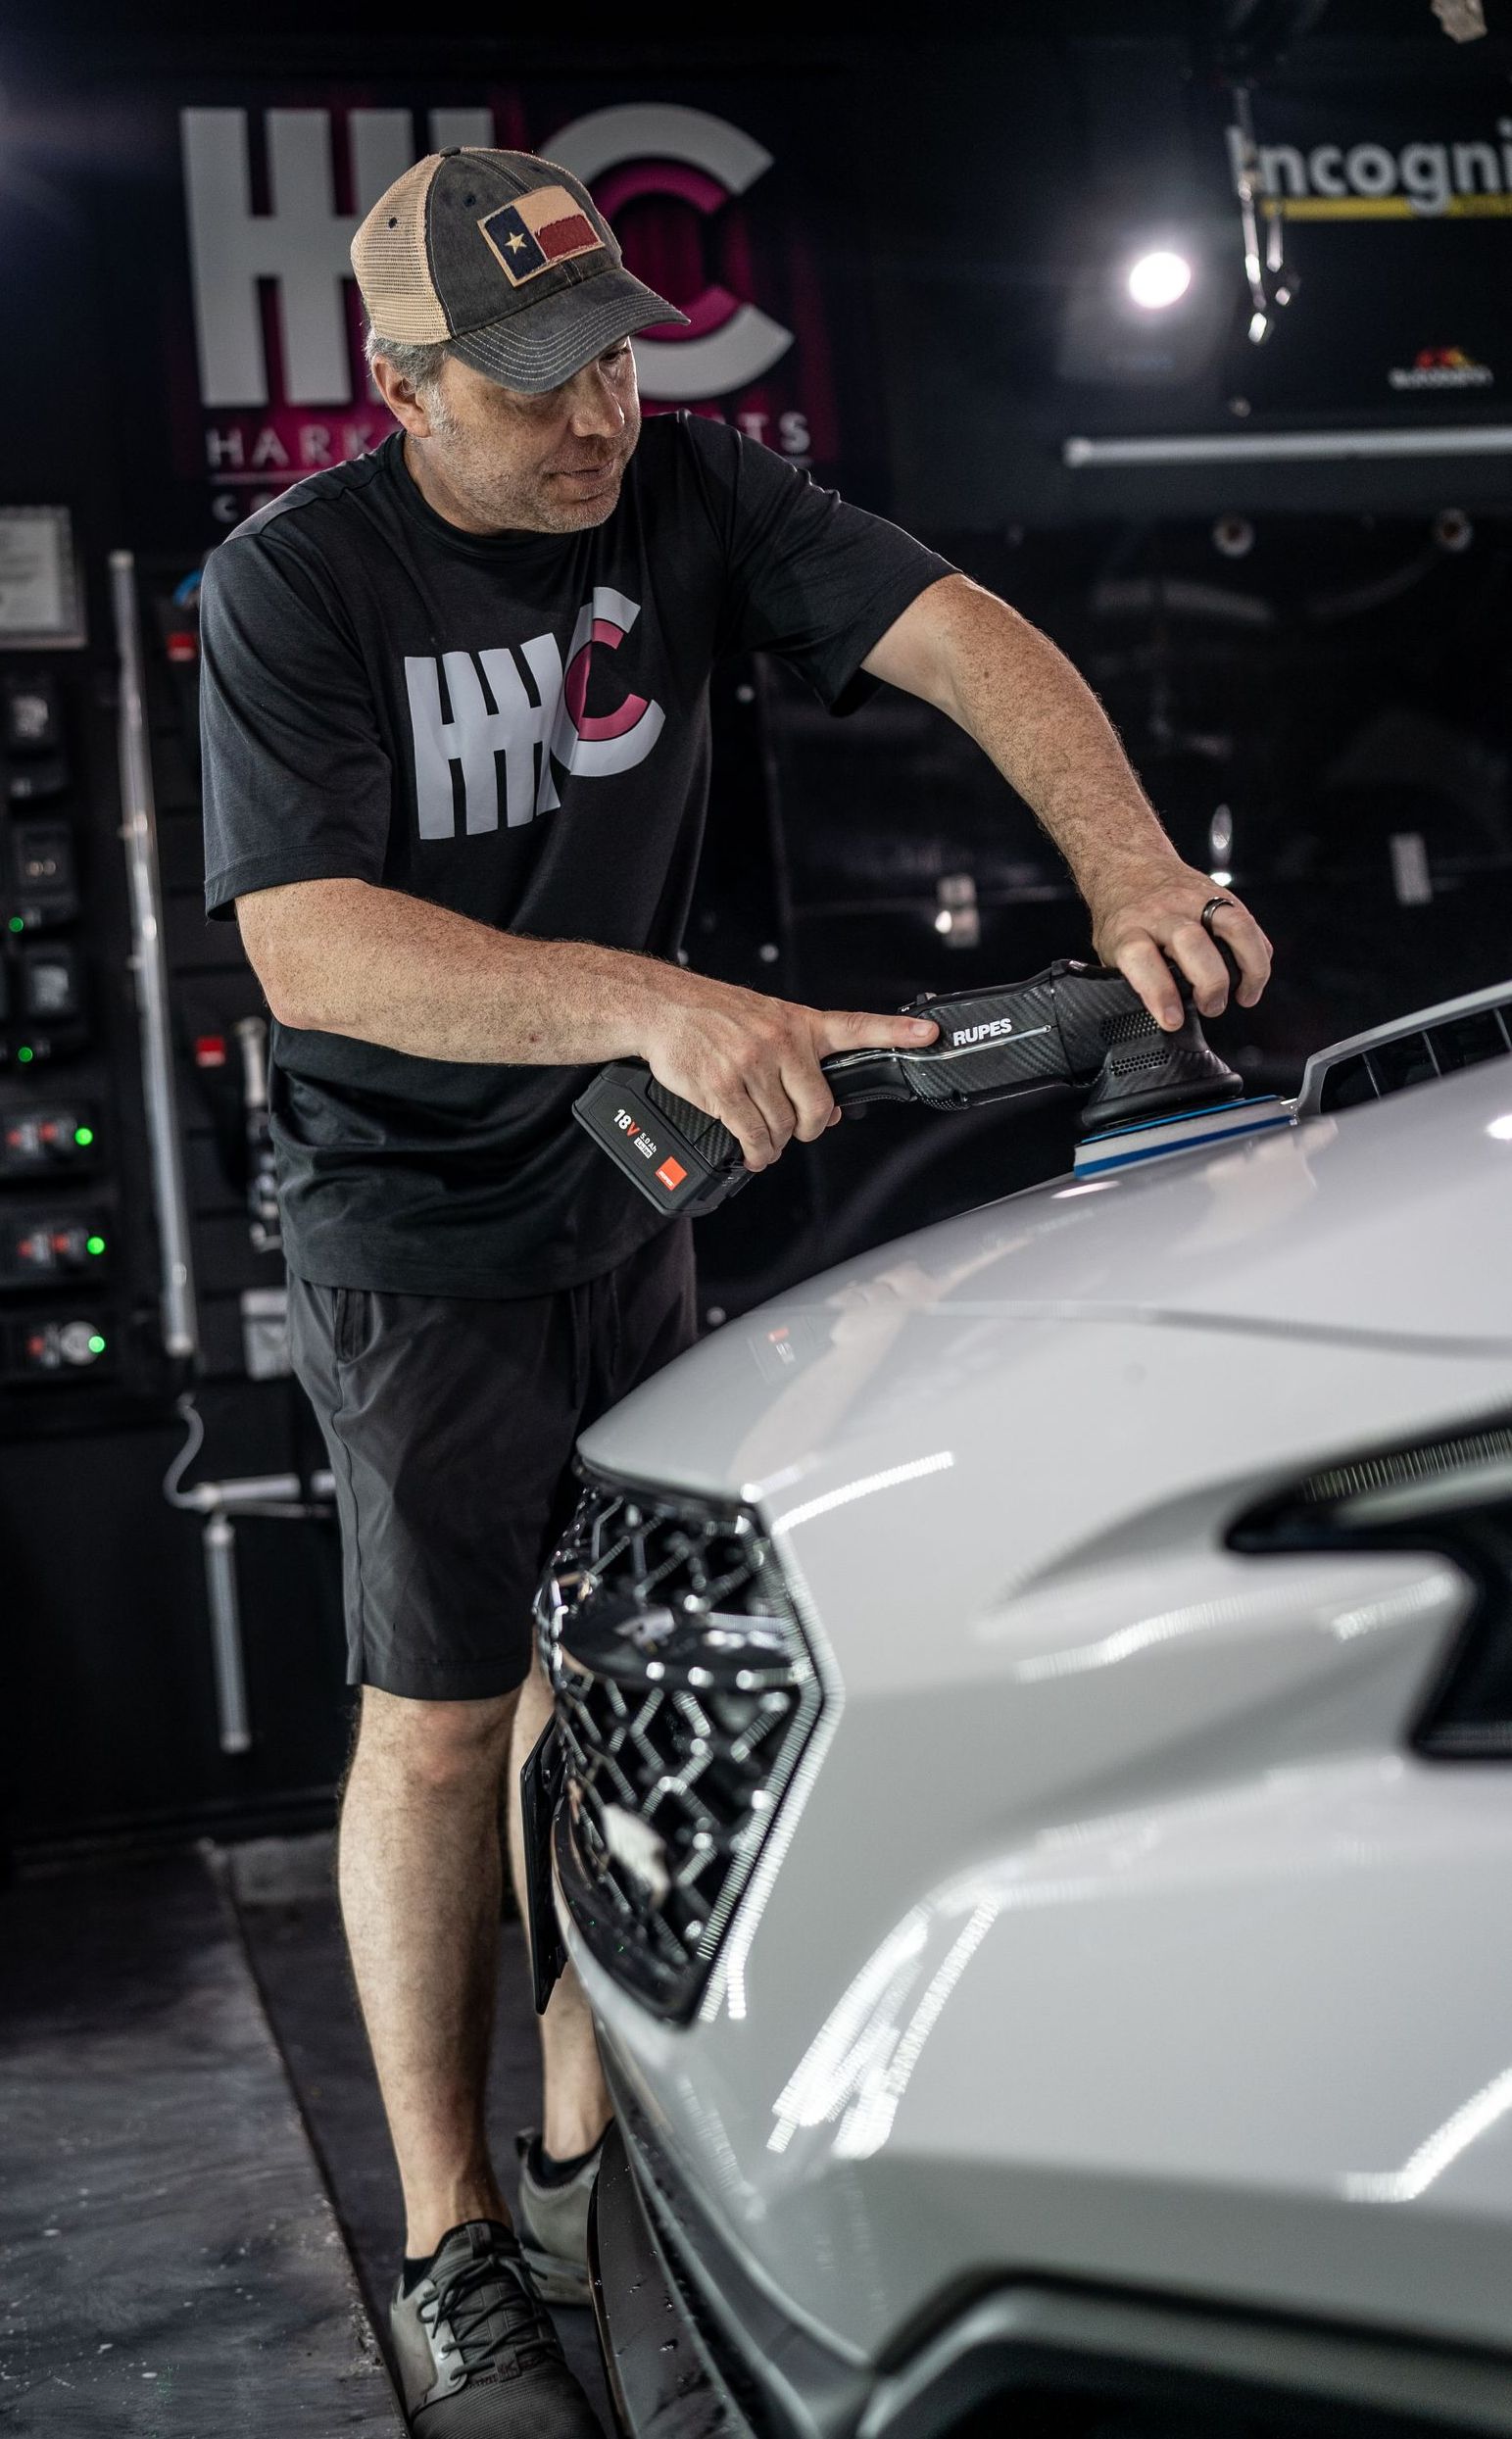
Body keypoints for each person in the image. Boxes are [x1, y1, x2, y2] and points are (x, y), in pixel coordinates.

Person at [198, 145, 1272, 2438]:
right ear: (400, 388)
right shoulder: (298, 585)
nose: (590, 416)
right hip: (411, 1221)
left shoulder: (693, 488)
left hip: (628, 1185)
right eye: (526, 386)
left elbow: (966, 631)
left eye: (608, 358)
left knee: (609, 1679)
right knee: (445, 1714)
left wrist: (1132, 868)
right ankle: (452, 2250)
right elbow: (311, 944)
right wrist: (645, 1000)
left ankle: (596, 2178)